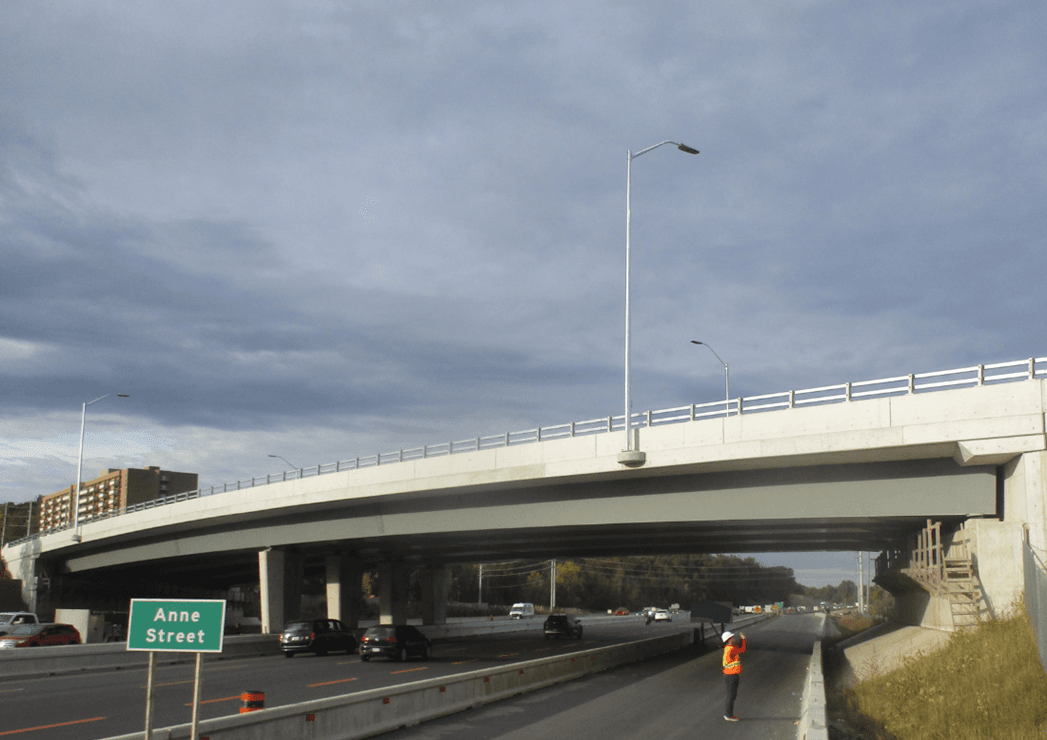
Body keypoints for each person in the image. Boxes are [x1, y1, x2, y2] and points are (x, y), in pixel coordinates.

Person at [721, 630, 747, 721]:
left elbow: (739, 648)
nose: (733, 638)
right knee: (731, 696)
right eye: (732, 637)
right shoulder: (731, 649)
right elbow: (742, 649)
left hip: (729, 675)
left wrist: (742, 640)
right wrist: (743, 639)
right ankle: (728, 715)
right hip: (731, 676)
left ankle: (728, 714)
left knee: (731, 695)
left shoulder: (729, 648)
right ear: (729, 639)